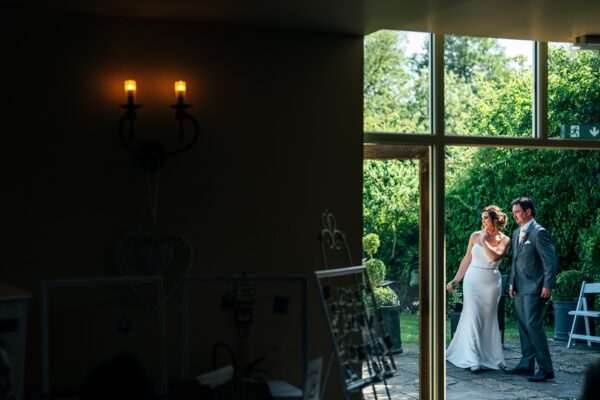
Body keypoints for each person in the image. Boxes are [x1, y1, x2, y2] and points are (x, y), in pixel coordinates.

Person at [446, 205, 510, 373]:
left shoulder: (504, 239)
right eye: (482, 218)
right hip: (472, 281)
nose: (483, 221)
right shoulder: (475, 235)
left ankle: (490, 356)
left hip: (491, 283)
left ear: (495, 220)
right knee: (473, 316)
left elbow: (495, 256)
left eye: (486, 218)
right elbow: (467, 260)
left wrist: (484, 241)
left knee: (488, 319)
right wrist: (455, 280)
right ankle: (473, 358)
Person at [505, 197, 557, 382]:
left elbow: (549, 261)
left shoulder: (539, 232)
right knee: (523, 326)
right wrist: (511, 284)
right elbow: (515, 261)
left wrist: (548, 285)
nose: (515, 216)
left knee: (534, 326)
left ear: (528, 212)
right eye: (513, 213)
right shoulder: (516, 232)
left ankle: (546, 368)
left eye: (517, 212)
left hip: (535, 288)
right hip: (519, 288)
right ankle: (527, 364)